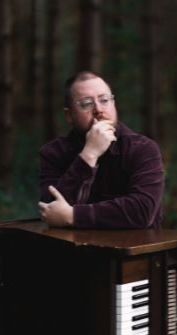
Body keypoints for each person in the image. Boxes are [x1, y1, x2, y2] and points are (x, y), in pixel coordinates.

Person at [38, 71, 164, 229]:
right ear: (69, 115)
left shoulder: (142, 149)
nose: (98, 109)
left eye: (104, 100)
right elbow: (49, 210)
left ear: (113, 104)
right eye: (86, 103)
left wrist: (73, 215)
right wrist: (88, 155)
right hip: (71, 251)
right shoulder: (54, 152)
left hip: (132, 251)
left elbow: (142, 212)